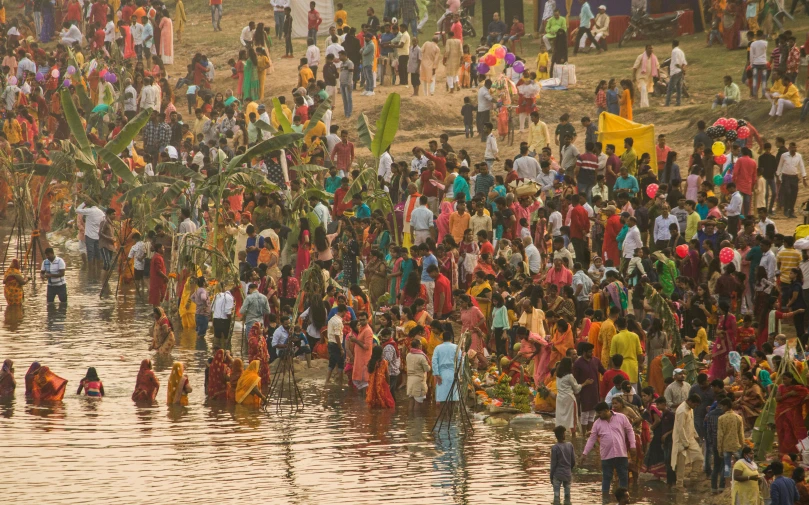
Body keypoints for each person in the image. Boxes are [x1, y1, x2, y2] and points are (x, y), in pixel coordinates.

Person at [582, 402, 635, 495]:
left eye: (600, 413)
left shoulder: (621, 417)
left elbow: (630, 430)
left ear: (607, 410)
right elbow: (592, 439)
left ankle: (623, 498)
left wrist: (633, 445)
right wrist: (584, 453)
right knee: (606, 478)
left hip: (621, 453)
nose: (598, 415)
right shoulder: (597, 423)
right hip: (606, 456)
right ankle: (605, 499)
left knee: (623, 477)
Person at [671, 394, 704, 487]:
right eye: (695, 405)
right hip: (681, 440)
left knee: (699, 456)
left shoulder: (690, 409)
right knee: (681, 463)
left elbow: (691, 424)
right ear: (690, 401)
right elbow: (680, 428)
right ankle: (679, 484)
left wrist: (696, 435)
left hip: (690, 437)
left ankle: (693, 475)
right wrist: (685, 443)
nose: (695, 407)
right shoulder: (682, 411)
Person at [555, 356, 593, 434]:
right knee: (572, 418)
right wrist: (585, 383)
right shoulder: (569, 376)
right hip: (569, 399)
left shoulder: (558, 376)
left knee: (560, 418)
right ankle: (573, 436)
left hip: (559, 399)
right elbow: (576, 389)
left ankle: (560, 434)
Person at [774, 371, 809, 454]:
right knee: (786, 433)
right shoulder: (781, 387)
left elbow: (805, 397)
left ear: (791, 379)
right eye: (782, 379)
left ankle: (804, 452)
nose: (783, 381)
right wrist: (789, 394)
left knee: (799, 432)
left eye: (785, 379)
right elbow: (777, 398)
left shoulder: (799, 388)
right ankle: (789, 453)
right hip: (782, 415)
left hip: (795, 415)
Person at [550, 425, 576, 505]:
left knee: (556, 496)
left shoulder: (555, 448)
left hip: (557, 474)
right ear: (564, 435)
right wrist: (569, 469)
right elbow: (573, 461)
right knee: (567, 495)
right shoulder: (570, 445)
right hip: (567, 474)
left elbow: (553, 464)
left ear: (556, 436)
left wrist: (551, 476)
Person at [432, 330, 459, 404]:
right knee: (453, 397)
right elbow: (460, 361)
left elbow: (434, 362)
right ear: (451, 338)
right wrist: (459, 374)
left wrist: (437, 374)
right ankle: (451, 415)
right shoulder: (456, 347)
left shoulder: (438, 348)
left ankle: (442, 414)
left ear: (442, 339)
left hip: (441, 374)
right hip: (453, 373)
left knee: (442, 398)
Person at [406, 336, 431, 411]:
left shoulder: (408, 355)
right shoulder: (421, 357)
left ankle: (411, 420)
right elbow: (427, 369)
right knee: (418, 402)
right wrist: (430, 366)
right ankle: (417, 421)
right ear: (418, 346)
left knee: (411, 401)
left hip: (410, 380)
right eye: (421, 345)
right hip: (419, 380)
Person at [665, 40, 687, 107]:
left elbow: (676, 63)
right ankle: (678, 102)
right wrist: (683, 70)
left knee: (670, 88)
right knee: (679, 88)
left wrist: (681, 69)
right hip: (680, 72)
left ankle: (667, 103)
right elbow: (684, 62)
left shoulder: (674, 51)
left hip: (675, 71)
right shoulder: (681, 51)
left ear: (672, 45)